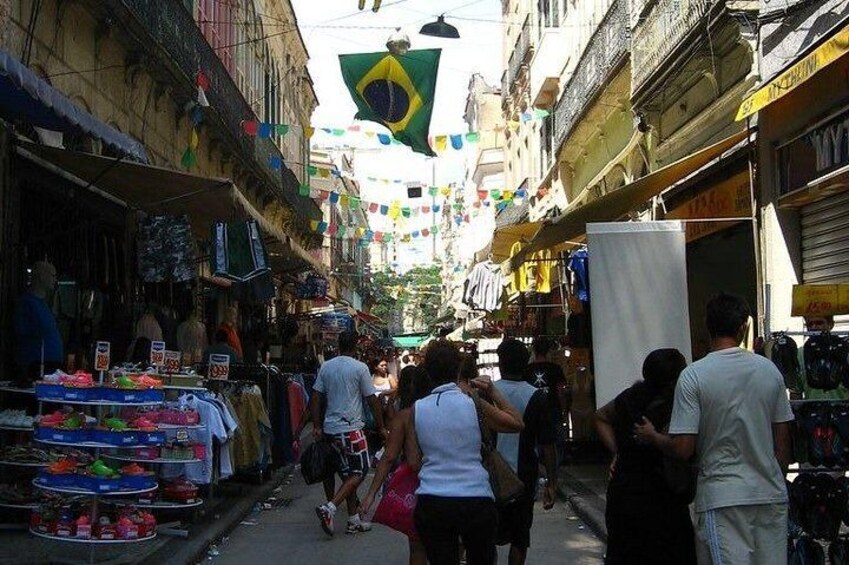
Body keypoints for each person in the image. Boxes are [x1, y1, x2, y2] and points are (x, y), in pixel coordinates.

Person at [635, 293, 794, 565]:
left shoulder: (694, 375)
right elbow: (783, 447)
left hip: (723, 498)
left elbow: (683, 448)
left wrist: (654, 438)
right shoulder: (770, 372)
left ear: (707, 325)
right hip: (769, 494)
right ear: (744, 327)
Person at [413, 340, 524, 565]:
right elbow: (516, 423)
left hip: (432, 499)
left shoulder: (418, 408)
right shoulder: (473, 403)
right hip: (476, 497)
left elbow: (415, 460)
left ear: (427, 371)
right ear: (458, 369)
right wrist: (492, 390)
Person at [595, 349, 696, 565]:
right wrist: (654, 437)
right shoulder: (677, 403)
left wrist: (617, 451)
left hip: (624, 492)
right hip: (663, 495)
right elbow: (681, 448)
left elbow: (600, 417)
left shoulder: (629, 397)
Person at [311, 331, 387, 537]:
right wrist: (381, 427)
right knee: (359, 471)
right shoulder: (360, 368)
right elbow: (372, 400)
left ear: (338, 345)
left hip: (330, 429)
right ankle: (331, 508)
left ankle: (353, 520)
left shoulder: (326, 366)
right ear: (356, 346)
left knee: (346, 475)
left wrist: (317, 424)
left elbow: (316, 396)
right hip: (351, 429)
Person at [493, 339, 558, 565]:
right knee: (520, 537)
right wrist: (552, 481)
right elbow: (548, 443)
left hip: (491, 475)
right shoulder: (536, 396)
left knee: (487, 534)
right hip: (524, 474)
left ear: (500, 363)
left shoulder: (487, 394)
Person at [360, 365, 433, 565]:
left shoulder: (404, 416)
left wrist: (370, 494)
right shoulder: (438, 409)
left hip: (417, 486)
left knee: (417, 545)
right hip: (447, 481)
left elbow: (389, 456)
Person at [14, 260, 63, 384]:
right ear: (41, 276)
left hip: (50, 365)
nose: (55, 280)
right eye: (52, 276)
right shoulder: (26, 303)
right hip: (36, 365)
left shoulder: (44, 304)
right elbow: (22, 333)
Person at [525, 337, 568, 457]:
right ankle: (553, 470)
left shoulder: (527, 370)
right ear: (549, 350)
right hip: (553, 411)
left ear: (534, 350)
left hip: (533, 413)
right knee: (555, 445)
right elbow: (560, 392)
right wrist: (563, 411)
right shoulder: (555, 369)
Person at [796, 315, 849, 400]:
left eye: (819, 323)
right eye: (810, 324)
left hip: (842, 410)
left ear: (831, 325)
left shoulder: (845, 351)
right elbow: (796, 392)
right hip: (812, 410)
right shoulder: (799, 354)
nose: (814, 327)